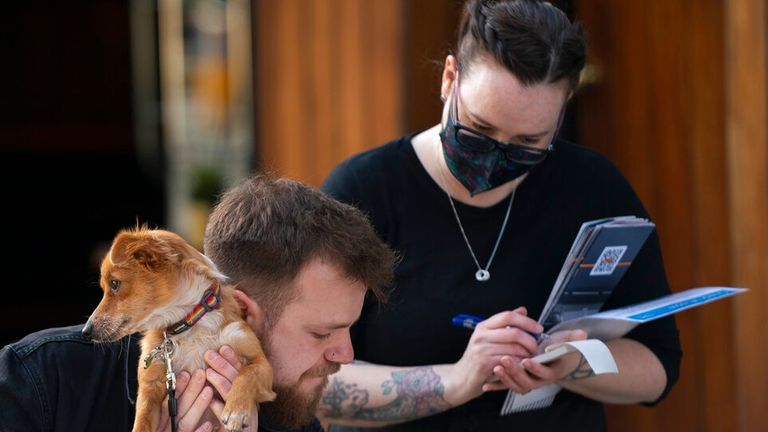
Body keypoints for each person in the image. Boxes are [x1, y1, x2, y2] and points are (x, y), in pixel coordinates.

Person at [317, 0, 682, 431]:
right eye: (479, 130)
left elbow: (658, 368)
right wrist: (458, 379)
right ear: (449, 78)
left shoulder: (593, 188)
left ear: (562, 114)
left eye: (528, 142)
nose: (494, 160)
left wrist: (573, 364)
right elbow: (308, 385)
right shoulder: (364, 192)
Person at [0, 174, 396, 432]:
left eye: (348, 328)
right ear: (246, 313)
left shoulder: (290, 417)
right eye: (322, 332)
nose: (346, 353)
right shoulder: (39, 378)